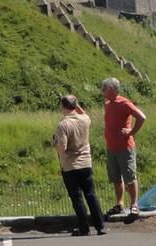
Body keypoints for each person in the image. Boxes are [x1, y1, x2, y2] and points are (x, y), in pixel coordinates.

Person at [51, 95, 104, 236]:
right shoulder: (85, 120)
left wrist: (55, 142)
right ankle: (100, 226)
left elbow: (62, 148)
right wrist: (76, 103)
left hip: (70, 165)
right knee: (91, 194)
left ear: (62, 107)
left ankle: (84, 227)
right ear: (75, 105)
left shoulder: (63, 125)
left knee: (77, 197)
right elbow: (83, 113)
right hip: (86, 162)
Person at [101, 77, 145, 217]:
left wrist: (131, 132)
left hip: (125, 147)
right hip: (111, 147)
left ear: (113, 89)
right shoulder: (107, 103)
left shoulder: (124, 103)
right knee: (115, 178)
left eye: (105, 88)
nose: (102, 91)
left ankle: (134, 204)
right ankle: (120, 204)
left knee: (130, 177)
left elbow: (141, 117)